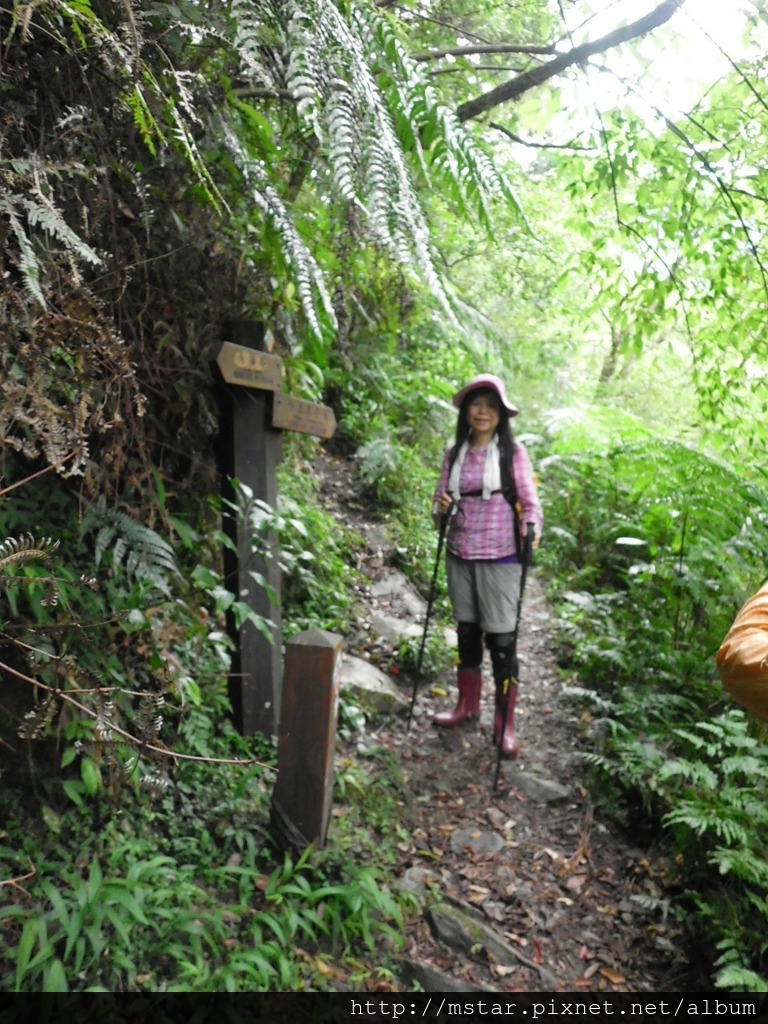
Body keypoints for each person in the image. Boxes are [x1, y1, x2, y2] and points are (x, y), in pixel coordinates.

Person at [431, 373, 543, 758]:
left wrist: (532, 530)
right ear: (466, 410)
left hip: (501, 557)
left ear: (501, 415)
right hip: (459, 553)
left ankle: (504, 723)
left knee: (502, 642)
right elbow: (437, 508)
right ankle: (467, 706)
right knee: (466, 634)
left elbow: (530, 504)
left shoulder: (513, 454)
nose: (483, 412)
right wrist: (441, 509)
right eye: (477, 404)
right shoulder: (453, 454)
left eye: (491, 406)